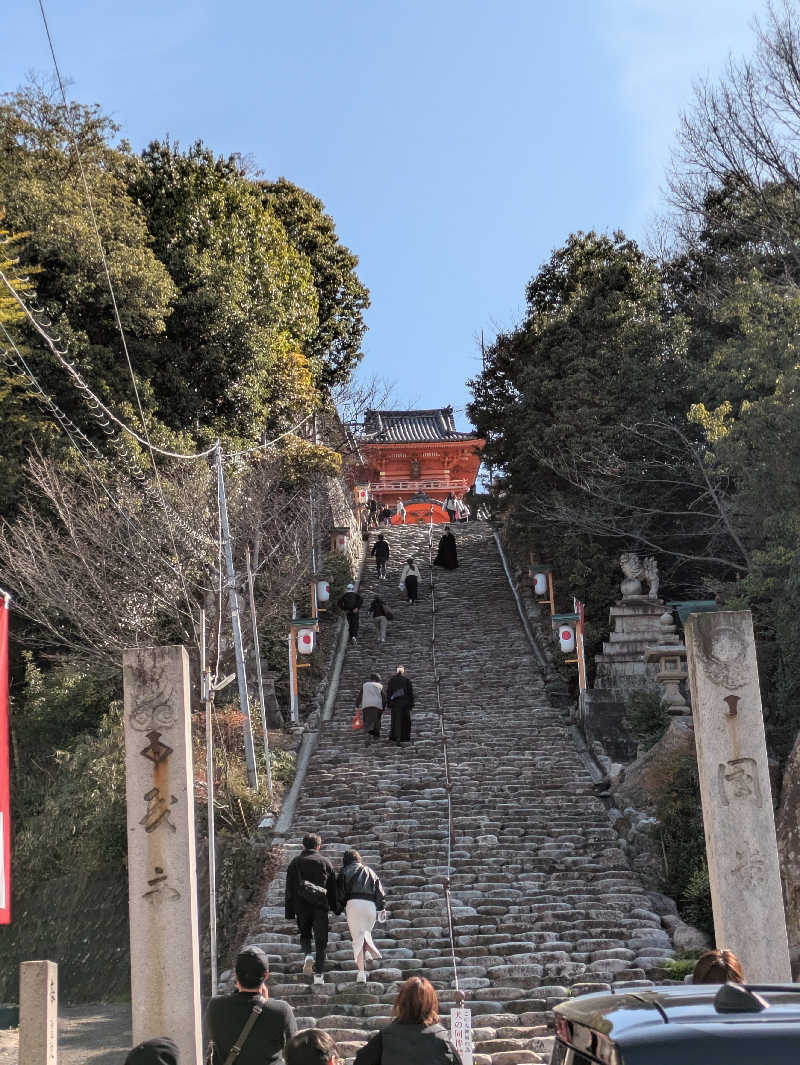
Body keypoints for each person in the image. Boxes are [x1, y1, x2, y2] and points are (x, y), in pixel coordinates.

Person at [205, 946, 297, 1065]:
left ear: (236, 975)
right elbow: (295, 1052)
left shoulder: (215, 1006)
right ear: (266, 975)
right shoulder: (281, 1011)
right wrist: (264, 1004)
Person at [353, 976, 462, 1064]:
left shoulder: (385, 1036)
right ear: (430, 1004)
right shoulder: (442, 1038)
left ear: (402, 1002)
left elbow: (360, 1061)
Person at [284, 833, 338, 985]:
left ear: (303, 846)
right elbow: (332, 888)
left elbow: (289, 888)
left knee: (305, 934)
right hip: (320, 906)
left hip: (301, 906)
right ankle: (319, 975)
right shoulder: (325, 862)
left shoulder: (295, 862)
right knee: (321, 941)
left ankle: (308, 954)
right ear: (318, 846)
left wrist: (290, 911)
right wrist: (335, 907)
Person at [336, 849, 387, 983]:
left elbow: (339, 893)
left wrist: (339, 907)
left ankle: (361, 973)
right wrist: (381, 907)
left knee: (357, 939)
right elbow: (379, 891)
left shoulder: (343, 872)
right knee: (365, 932)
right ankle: (369, 952)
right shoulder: (370, 871)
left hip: (353, 904)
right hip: (370, 905)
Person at [386, 666, 414, 744]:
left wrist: (389, 703)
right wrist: (411, 704)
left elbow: (389, 692)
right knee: (406, 721)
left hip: (395, 704)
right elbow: (410, 693)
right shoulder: (406, 680)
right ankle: (404, 737)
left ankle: (396, 737)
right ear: (403, 672)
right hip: (405, 704)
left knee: (396, 721)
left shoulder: (392, 681)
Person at [358, 671, 386, 740]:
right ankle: (376, 736)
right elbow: (384, 698)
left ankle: (367, 733)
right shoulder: (380, 686)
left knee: (367, 720)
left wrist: (357, 703)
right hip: (377, 706)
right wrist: (383, 707)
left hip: (366, 705)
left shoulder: (365, 685)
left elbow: (360, 695)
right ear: (378, 679)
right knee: (377, 720)